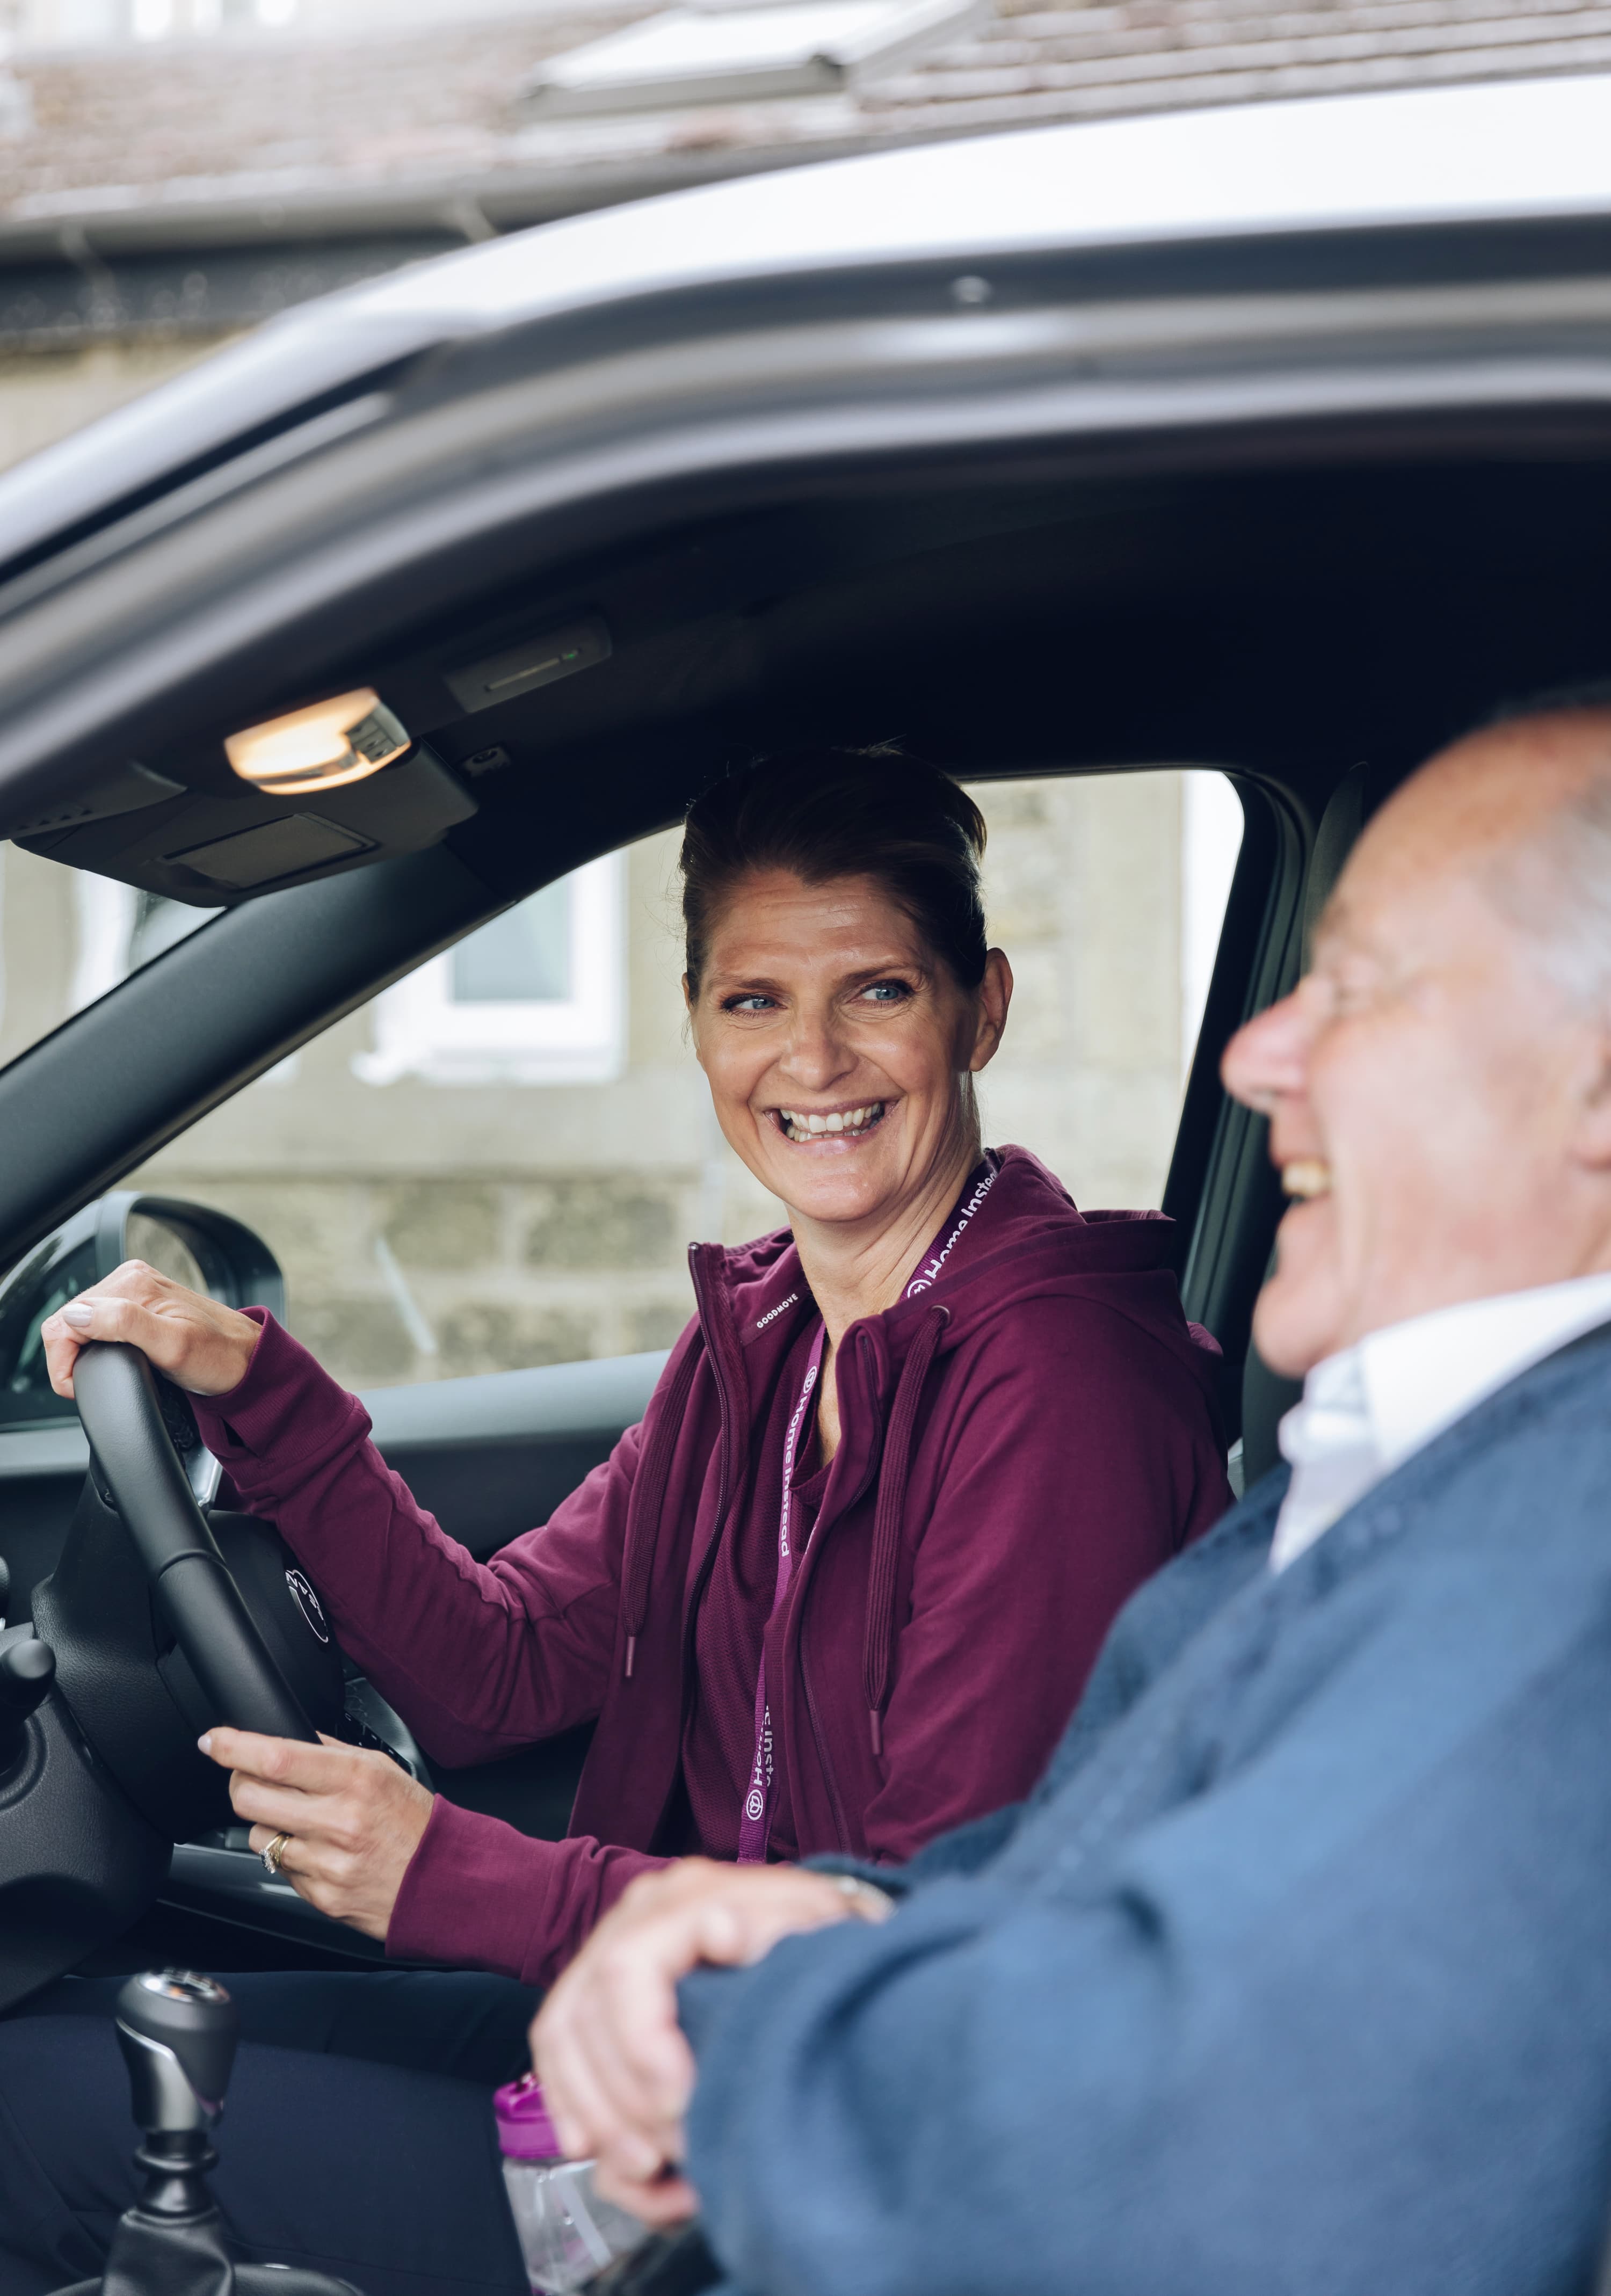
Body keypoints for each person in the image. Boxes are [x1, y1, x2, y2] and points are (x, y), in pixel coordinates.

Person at [0, 746, 1229, 2296]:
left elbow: (934, 1936)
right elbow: (496, 1667)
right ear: (700, 1021)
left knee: (39, 2128)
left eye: (879, 992)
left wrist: (457, 1873)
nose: (816, 1060)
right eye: (755, 1000)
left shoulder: (1059, 1381)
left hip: (856, 2168)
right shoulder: (763, 1341)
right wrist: (261, 1387)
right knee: (72, 2041)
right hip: (691, 2051)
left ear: (979, 1006)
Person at [529, 697, 1611, 2296]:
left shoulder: (1546, 1564)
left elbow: (1151, 2140)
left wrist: (743, 2031)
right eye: (751, 997)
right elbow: (1082, 1860)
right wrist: (817, 1914)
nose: (1256, 1050)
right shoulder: (1418, 1465)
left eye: (1360, 989)